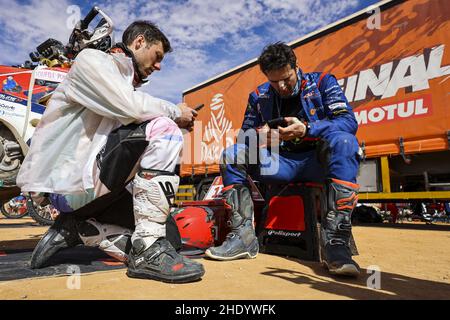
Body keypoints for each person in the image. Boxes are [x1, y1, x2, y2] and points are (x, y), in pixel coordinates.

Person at [17, 21, 205, 283]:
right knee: (164, 129)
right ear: (139, 42)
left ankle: (83, 230)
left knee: (171, 240)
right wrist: (176, 112)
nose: (159, 66)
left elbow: (131, 115)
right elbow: (131, 106)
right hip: (67, 185)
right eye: (157, 56)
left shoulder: (123, 82)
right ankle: (146, 251)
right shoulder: (92, 61)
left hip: (91, 185)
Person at [205, 42, 361, 277]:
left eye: (286, 79)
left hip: (316, 162)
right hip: (278, 164)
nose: (281, 86)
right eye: (274, 81)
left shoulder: (322, 83)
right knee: (232, 154)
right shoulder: (258, 96)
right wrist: (261, 136)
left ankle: (335, 243)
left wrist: (306, 129)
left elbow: (348, 122)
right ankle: (244, 238)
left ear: (296, 67)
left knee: (345, 142)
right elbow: (243, 136)